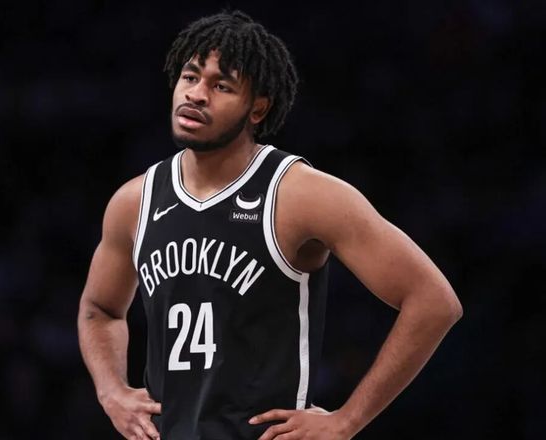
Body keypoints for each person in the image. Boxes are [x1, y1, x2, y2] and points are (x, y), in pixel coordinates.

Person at [77, 9, 463, 440]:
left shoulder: (301, 194)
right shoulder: (135, 201)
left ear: (257, 108)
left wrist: (347, 421)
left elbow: (434, 301)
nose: (197, 94)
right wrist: (111, 391)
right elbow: (100, 309)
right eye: (190, 77)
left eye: (221, 86)